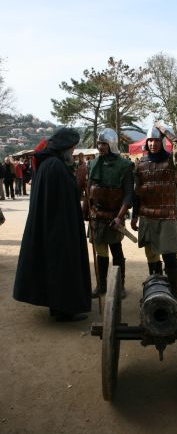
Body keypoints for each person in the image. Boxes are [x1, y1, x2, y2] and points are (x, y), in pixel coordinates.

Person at [13, 128, 92, 322]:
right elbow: (64, 198)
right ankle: (65, 308)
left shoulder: (48, 164)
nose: (72, 153)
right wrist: (79, 182)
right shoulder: (55, 166)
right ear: (64, 148)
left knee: (54, 266)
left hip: (52, 227)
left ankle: (58, 305)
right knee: (61, 266)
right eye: (71, 149)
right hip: (58, 229)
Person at [131, 123, 177, 299]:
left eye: (156, 141)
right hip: (147, 216)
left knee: (170, 257)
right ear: (146, 142)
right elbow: (137, 192)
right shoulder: (140, 163)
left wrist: (167, 132)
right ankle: (156, 292)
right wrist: (134, 216)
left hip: (167, 217)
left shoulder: (172, 161)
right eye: (150, 141)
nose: (153, 144)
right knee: (152, 257)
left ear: (162, 142)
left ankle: (173, 293)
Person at [86, 128, 134, 299]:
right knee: (100, 251)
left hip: (115, 215)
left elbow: (128, 194)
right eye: (99, 143)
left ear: (112, 144)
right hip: (97, 216)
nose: (101, 147)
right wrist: (88, 213)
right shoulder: (92, 164)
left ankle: (119, 286)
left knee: (116, 250)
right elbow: (89, 192)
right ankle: (101, 285)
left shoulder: (125, 166)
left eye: (104, 144)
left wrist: (119, 217)